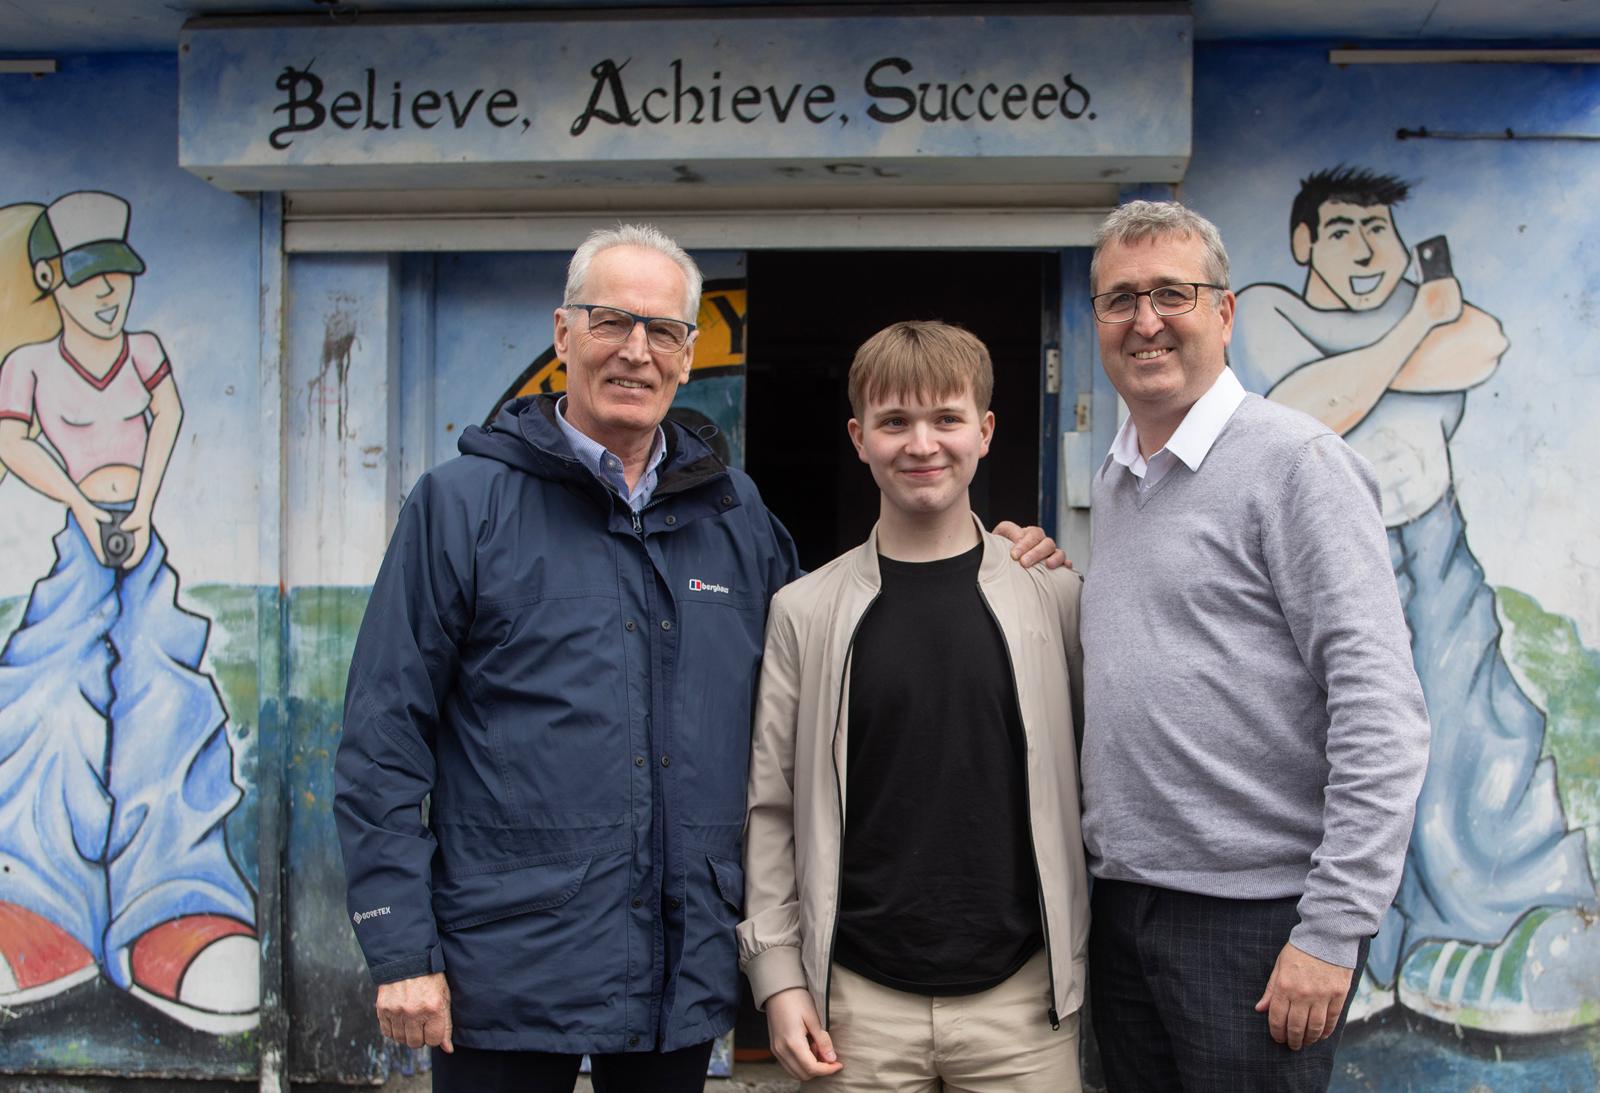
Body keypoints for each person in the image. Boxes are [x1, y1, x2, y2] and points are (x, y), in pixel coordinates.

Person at [334, 225, 1062, 1092]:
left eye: (663, 331)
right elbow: (382, 740)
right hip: (504, 967)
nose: (635, 351)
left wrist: (998, 554)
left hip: (677, 974)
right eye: (611, 322)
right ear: (564, 335)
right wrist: (400, 946)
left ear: (686, 356)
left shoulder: (733, 514)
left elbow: (830, 681)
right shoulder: (461, 506)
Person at [1232, 166, 1599, 1030]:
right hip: (1316, 559)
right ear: (1302, 244)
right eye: (1343, 227)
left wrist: (1394, 346)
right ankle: (1351, 948)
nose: (1366, 247)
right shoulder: (1266, 307)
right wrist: (1412, 334)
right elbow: (1307, 407)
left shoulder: (1434, 310)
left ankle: (1478, 931)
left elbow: (1481, 348)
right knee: (1318, 745)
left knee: (1472, 730)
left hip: (1435, 547)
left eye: (1378, 228)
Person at [1077, 200, 1431, 1091]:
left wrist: (1332, 929)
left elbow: (1380, 709)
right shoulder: (1118, 477)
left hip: (1257, 924)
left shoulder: (1295, 463)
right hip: (1122, 906)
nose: (1146, 321)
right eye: (1121, 299)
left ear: (1224, 313)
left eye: (1172, 294)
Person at [738, 320, 1087, 1092]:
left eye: (946, 418)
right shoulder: (803, 610)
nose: (921, 443)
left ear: (986, 431)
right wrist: (779, 977)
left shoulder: (1055, 595)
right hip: (855, 1008)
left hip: (1026, 1007)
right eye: (895, 421)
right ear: (859, 437)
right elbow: (772, 810)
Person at [0, 192, 258, 1033]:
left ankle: (175, 905)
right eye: (87, 277)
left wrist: (139, 509)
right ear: (50, 280)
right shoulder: (30, 365)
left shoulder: (142, 351)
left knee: (163, 689)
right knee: (50, 690)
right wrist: (82, 505)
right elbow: (12, 438)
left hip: (137, 540)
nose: (109, 291)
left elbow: (168, 414)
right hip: (83, 545)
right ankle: (38, 905)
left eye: (117, 274)